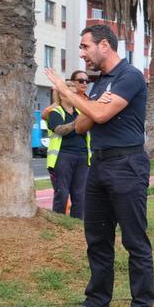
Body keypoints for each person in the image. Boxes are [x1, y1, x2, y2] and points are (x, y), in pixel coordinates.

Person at [46, 25, 154, 307]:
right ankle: (96, 302)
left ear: (104, 45)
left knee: (135, 240)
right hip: (100, 165)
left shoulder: (129, 76)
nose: (82, 54)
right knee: (97, 239)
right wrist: (85, 102)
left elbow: (102, 116)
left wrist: (68, 93)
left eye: (85, 47)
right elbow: (82, 125)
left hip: (127, 164)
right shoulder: (101, 83)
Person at [46, 70, 92, 218]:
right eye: (68, 93)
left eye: (74, 94)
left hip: (82, 156)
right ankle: (59, 222)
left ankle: (78, 224)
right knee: (62, 192)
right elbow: (59, 130)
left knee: (80, 194)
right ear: (61, 95)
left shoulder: (79, 112)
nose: (72, 97)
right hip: (63, 156)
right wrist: (77, 123)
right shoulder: (56, 112)